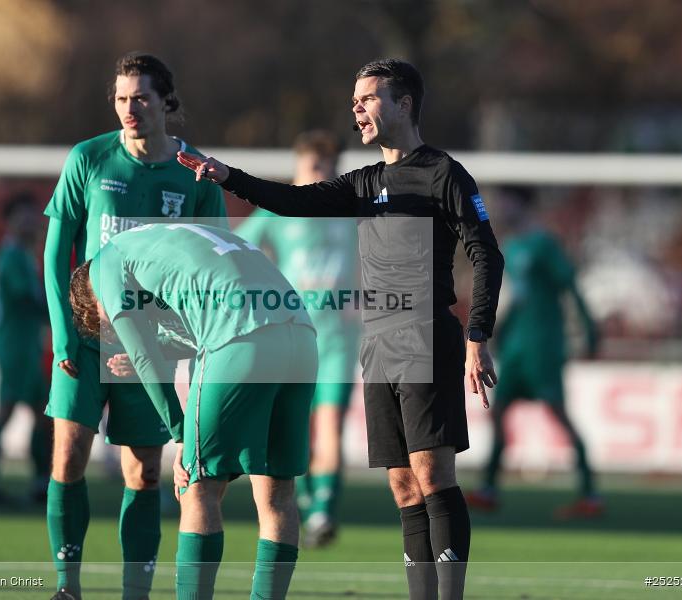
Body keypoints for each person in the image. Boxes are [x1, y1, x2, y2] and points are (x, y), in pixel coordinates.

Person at [177, 58, 504, 600]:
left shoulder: (443, 174)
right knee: (401, 486)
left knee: (431, 475)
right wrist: (227, 175)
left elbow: (486, 253)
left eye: (368, 97)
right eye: (354, 99)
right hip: (377, 342)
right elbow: (294, 202)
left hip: (425, 333)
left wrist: (476, 336)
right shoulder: (365, 182)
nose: (356, 107)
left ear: (403, 104)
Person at [43, 53, 227, 600]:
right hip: (84, 338)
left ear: (165, 102)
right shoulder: (89, 159)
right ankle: (67, 586)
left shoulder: (195, 173)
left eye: (141, 98)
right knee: (69, 457)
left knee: (144, 474)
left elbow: (209, 271)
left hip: (152, 347)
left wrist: (167, 344)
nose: (130, 109)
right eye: (122, 98)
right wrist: (62, 332)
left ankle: (134, 594)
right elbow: (58, 254)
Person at [70, 223, 318, 600]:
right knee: (278, 494)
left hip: (240, 337)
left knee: (197, 486)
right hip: (300, 334)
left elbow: (144, 353)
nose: (114, 332)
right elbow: (196, 323)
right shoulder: (163, 238)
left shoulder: (106, 264)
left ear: (93, 301)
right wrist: (157, 350)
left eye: (106, 326)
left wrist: (182, 433)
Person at [234, 130, 360, 548]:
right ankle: (305, 503)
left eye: (329, 170)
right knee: (294, 431)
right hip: (293, 338)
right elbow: (239, 252)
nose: (321, 178)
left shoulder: (350, 211)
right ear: (298, 169)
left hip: (338, 340)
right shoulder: (276, 213)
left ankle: (323, 512)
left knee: (331, 428)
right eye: (314, 169)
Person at [466, 186, 602, 518]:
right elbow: (517, 298)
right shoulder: (510, 248)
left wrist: (591, 330)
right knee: (499, 414)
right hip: (515, 348)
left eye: (506, 202)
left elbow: (570, 286)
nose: (500, 208)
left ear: (521, 204)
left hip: (543, 345)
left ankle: (590, 494)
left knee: (558, 414)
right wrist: (495, 333)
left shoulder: (544, 244)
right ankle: (489, 488)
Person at [0, 192, 51, 505]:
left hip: (24, 344)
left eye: (34, 215)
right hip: (15, 346)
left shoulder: (21, 256)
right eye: (25, 216)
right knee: (8, 412)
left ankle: (40, 481)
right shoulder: (12, 257)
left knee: (41, 412)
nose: (32, 221)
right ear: (10, 222)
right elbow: (26, 300)